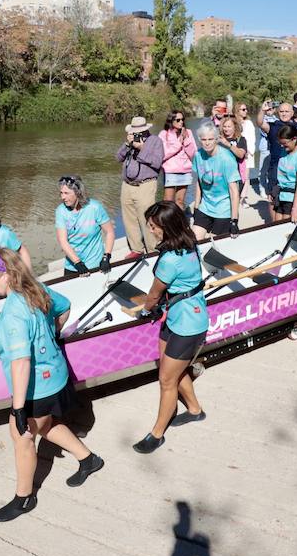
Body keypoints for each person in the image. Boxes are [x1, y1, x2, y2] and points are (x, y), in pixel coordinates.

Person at [0, 248, 103, 521]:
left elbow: (21, 362)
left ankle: (24, 499)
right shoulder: (34, 287)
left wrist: (18, 408)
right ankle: (89, 460)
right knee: (46, 425)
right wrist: (53, 332)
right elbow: (65, 307)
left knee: (22, 437)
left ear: (5, 277)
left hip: (37, 388)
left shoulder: (13, 313)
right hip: (57, 375)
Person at [131, 201, 209, 453]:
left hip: (188, 325)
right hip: (177, 316)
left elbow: (153, 295)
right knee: (174, 370)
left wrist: (144, 312)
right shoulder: (189, 243)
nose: (150, 230)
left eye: (153, 227)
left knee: (166, 380)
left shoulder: (169, 261)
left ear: (167, 228)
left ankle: (156, 434)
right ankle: (195, 410)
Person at [117, 116, 163, 260]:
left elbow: (157, 162)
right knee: (129, 219)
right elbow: (118, 157)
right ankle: (136, 248)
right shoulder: (130, 142)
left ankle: (152, 249)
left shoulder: (155, 141)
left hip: (145, 185)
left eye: (139, 132)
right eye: (134, 132)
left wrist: (141, 148)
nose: (137, 134)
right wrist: (127, 144)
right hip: (127, 186)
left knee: (147, 219)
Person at [55, 175, 115, 276]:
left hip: (97, 265)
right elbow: (63, 241)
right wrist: (77, 262)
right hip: (73, 265)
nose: (63, 197)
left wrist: (106, 256)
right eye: (61, 193)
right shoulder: (61, 211)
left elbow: (109, 232)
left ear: (78, 192)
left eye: (66, 193)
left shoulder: (95, 207)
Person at [190, 125, 241, 239]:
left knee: (214, 245)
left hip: (224, 209)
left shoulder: (226, 158)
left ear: (216, 139)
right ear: (199, 140)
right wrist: (196, 207)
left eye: (210, 139)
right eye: (204, 140)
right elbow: (199, 181)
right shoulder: (198, 155)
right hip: (206, 206)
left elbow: (234, 192)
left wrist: (234, 220)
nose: (207, 143)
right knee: (194, 240)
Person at [159, 110, 197, 211]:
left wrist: (186, 140)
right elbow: (163, 154)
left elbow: (193, 153)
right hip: (170, 172)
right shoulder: (164, 134)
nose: (181, 122)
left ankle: (178, 224)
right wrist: (178, 143)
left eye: (183, 119)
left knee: (180, 201)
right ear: (171, 121)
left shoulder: (188, 132)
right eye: (178, 120)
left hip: (185, 171)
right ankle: (166, 224)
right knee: (168, 201)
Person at [218, 115, 249, 191]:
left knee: (235, 201)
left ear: (234, 127)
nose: (226, 129)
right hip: (221, 176)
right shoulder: (218, 140)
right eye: (224, 126)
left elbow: (241, 155)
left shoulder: (241, 139)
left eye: (229, 126)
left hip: (236, 176)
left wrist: (228, 145)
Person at [234, 102, 259, 196]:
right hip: (236, 152)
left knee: (245, 176)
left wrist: (249, 151)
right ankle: (236, 196)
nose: (246, 111)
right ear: (237, 110)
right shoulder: (234, 122)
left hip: (247, 153)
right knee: (236, 176)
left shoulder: (248, 123)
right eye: (243, 109)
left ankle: (243, 198)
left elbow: (252, 138)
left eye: (246, 109)